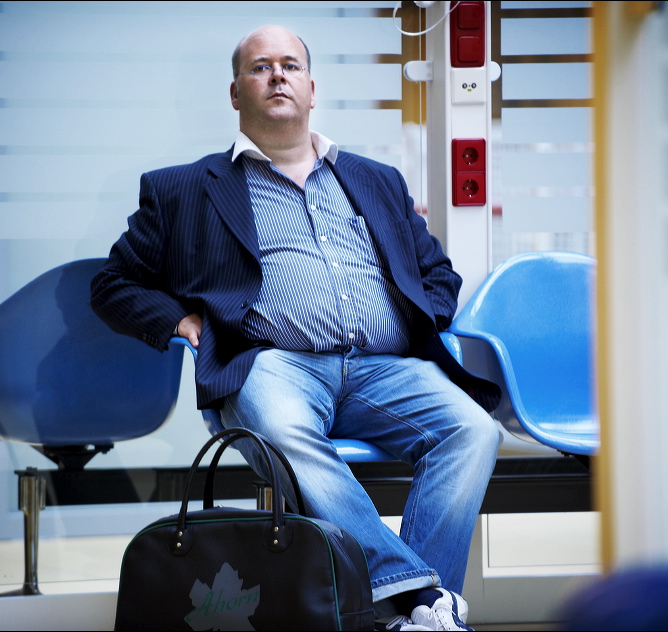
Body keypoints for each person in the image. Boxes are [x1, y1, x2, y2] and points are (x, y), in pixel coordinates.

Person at [90, 24, 501, 631]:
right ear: (236, 93)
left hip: (383, 367)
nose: (277, 75)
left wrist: (414, 321)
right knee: (283, 430)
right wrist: (177, 318)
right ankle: (416, 601)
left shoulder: (375, 179)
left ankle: (410, 615)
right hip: (272, 364)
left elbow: (437, 273)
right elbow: (113, 284)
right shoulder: (183, 189)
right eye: (260, 67)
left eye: (290, 65)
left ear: (312, 88)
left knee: (473, 431)